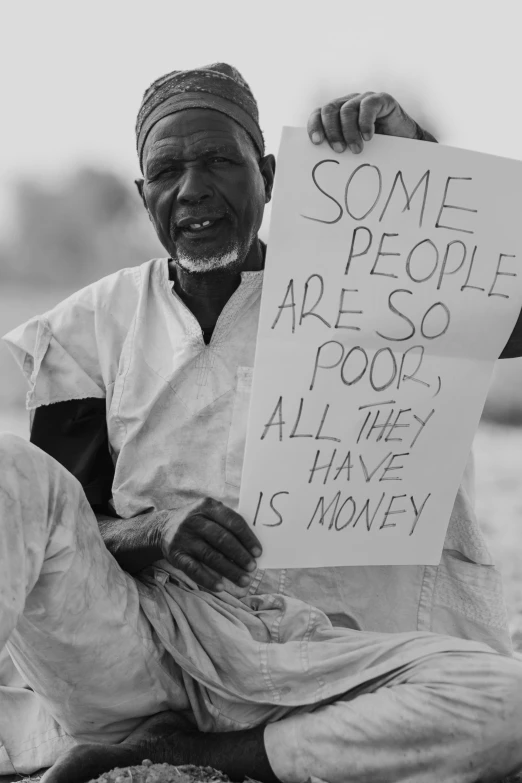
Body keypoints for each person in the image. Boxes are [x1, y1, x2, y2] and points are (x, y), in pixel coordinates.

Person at [1, 63, 522, 783]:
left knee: (511, 704)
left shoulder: (365, 285)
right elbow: (68, 516)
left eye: (219, 160)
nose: (194, 189)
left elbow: (507, 312)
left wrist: (420, 168)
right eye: (168, 170)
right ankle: (141, 733)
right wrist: (155, 531)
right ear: (142, 193)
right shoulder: (89, 325)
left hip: (334, 664)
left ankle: (195, 756)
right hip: (146, 659)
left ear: (268, 175)